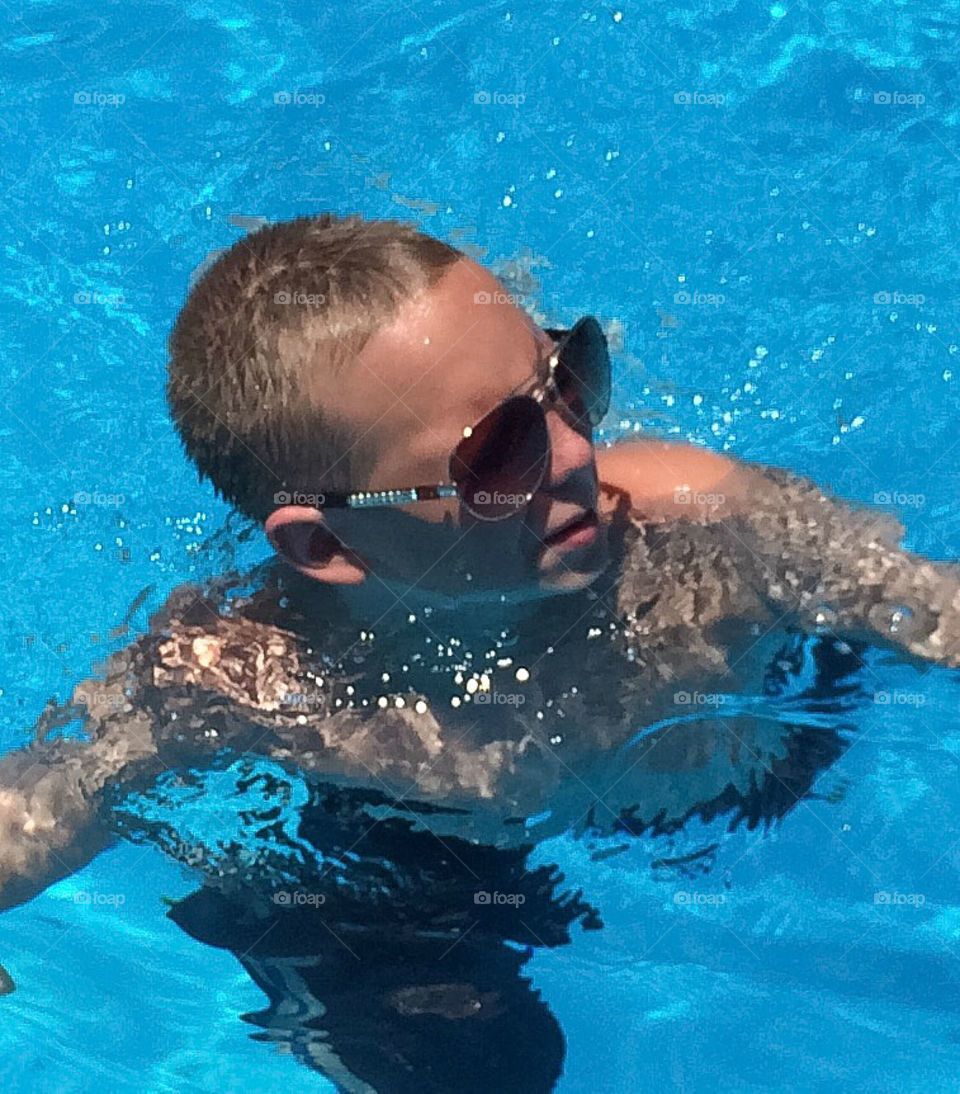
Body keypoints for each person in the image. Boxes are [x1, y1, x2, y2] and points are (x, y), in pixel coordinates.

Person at [1, 213, 958, 1089]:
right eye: (499, 454)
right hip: (414, 864)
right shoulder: (241, 675)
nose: (579, 454)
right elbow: (46, 799)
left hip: (748, 777)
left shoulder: (697, 530)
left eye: (569, 377)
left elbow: (930, 607)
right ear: (326, 545)